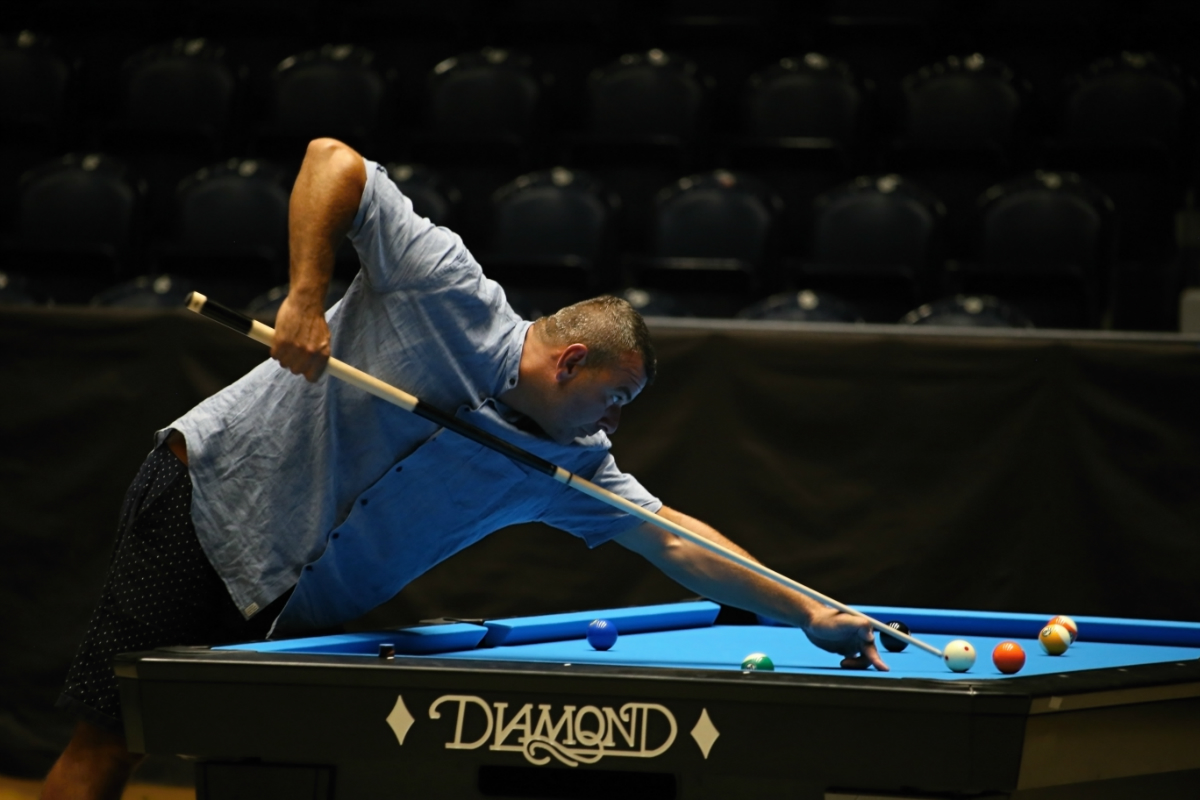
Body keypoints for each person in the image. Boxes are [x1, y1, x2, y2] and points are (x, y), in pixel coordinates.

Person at [41, 138, 886, 800]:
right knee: (113, 741)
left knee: (262, 766)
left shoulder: (570, 462)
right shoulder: (442, 284)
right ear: (573, 362)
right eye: (616, 397)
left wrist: (807, 610)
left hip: (292, 599)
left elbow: (672, 539)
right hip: (208, 508)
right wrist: (304, 297)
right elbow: (332, 161)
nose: (615, 422)